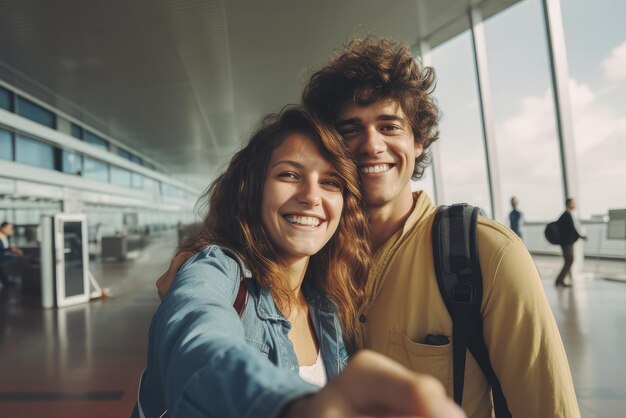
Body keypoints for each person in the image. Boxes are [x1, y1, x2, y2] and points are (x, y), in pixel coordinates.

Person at [159, 37, 582, 417]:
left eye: (389, 126)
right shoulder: (314, 260)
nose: (372, 144)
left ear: (419, 141)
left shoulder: (484, 255)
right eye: (350, 129)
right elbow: (202, 343)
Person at [134, 105, 464, 418]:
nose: (311, 195)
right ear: (254, 189)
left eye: (330, 182)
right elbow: (200, 344)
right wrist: (292, 407)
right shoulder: (215, 269)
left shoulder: (328, 303)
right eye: (290, 175)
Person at [554, 198, 587, 287]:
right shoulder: (567, 215)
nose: (574, 205)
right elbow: (572, 229)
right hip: (567, 243)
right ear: (569, 204)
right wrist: (581, 236)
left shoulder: (565, 215)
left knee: (568, 260)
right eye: (573, 203)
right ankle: (559, 280)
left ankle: (560, 280)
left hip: (566, 242)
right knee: (570, 260)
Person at [0, 221, 24, 286]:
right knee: (19, 258)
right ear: (3, 228)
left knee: (20, 257)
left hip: (4, 256)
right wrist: (11, 250)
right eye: (10, 228)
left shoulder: (6, 237)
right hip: (1, 257)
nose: (11, 230)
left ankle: (8, 279)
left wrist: (12, 250)